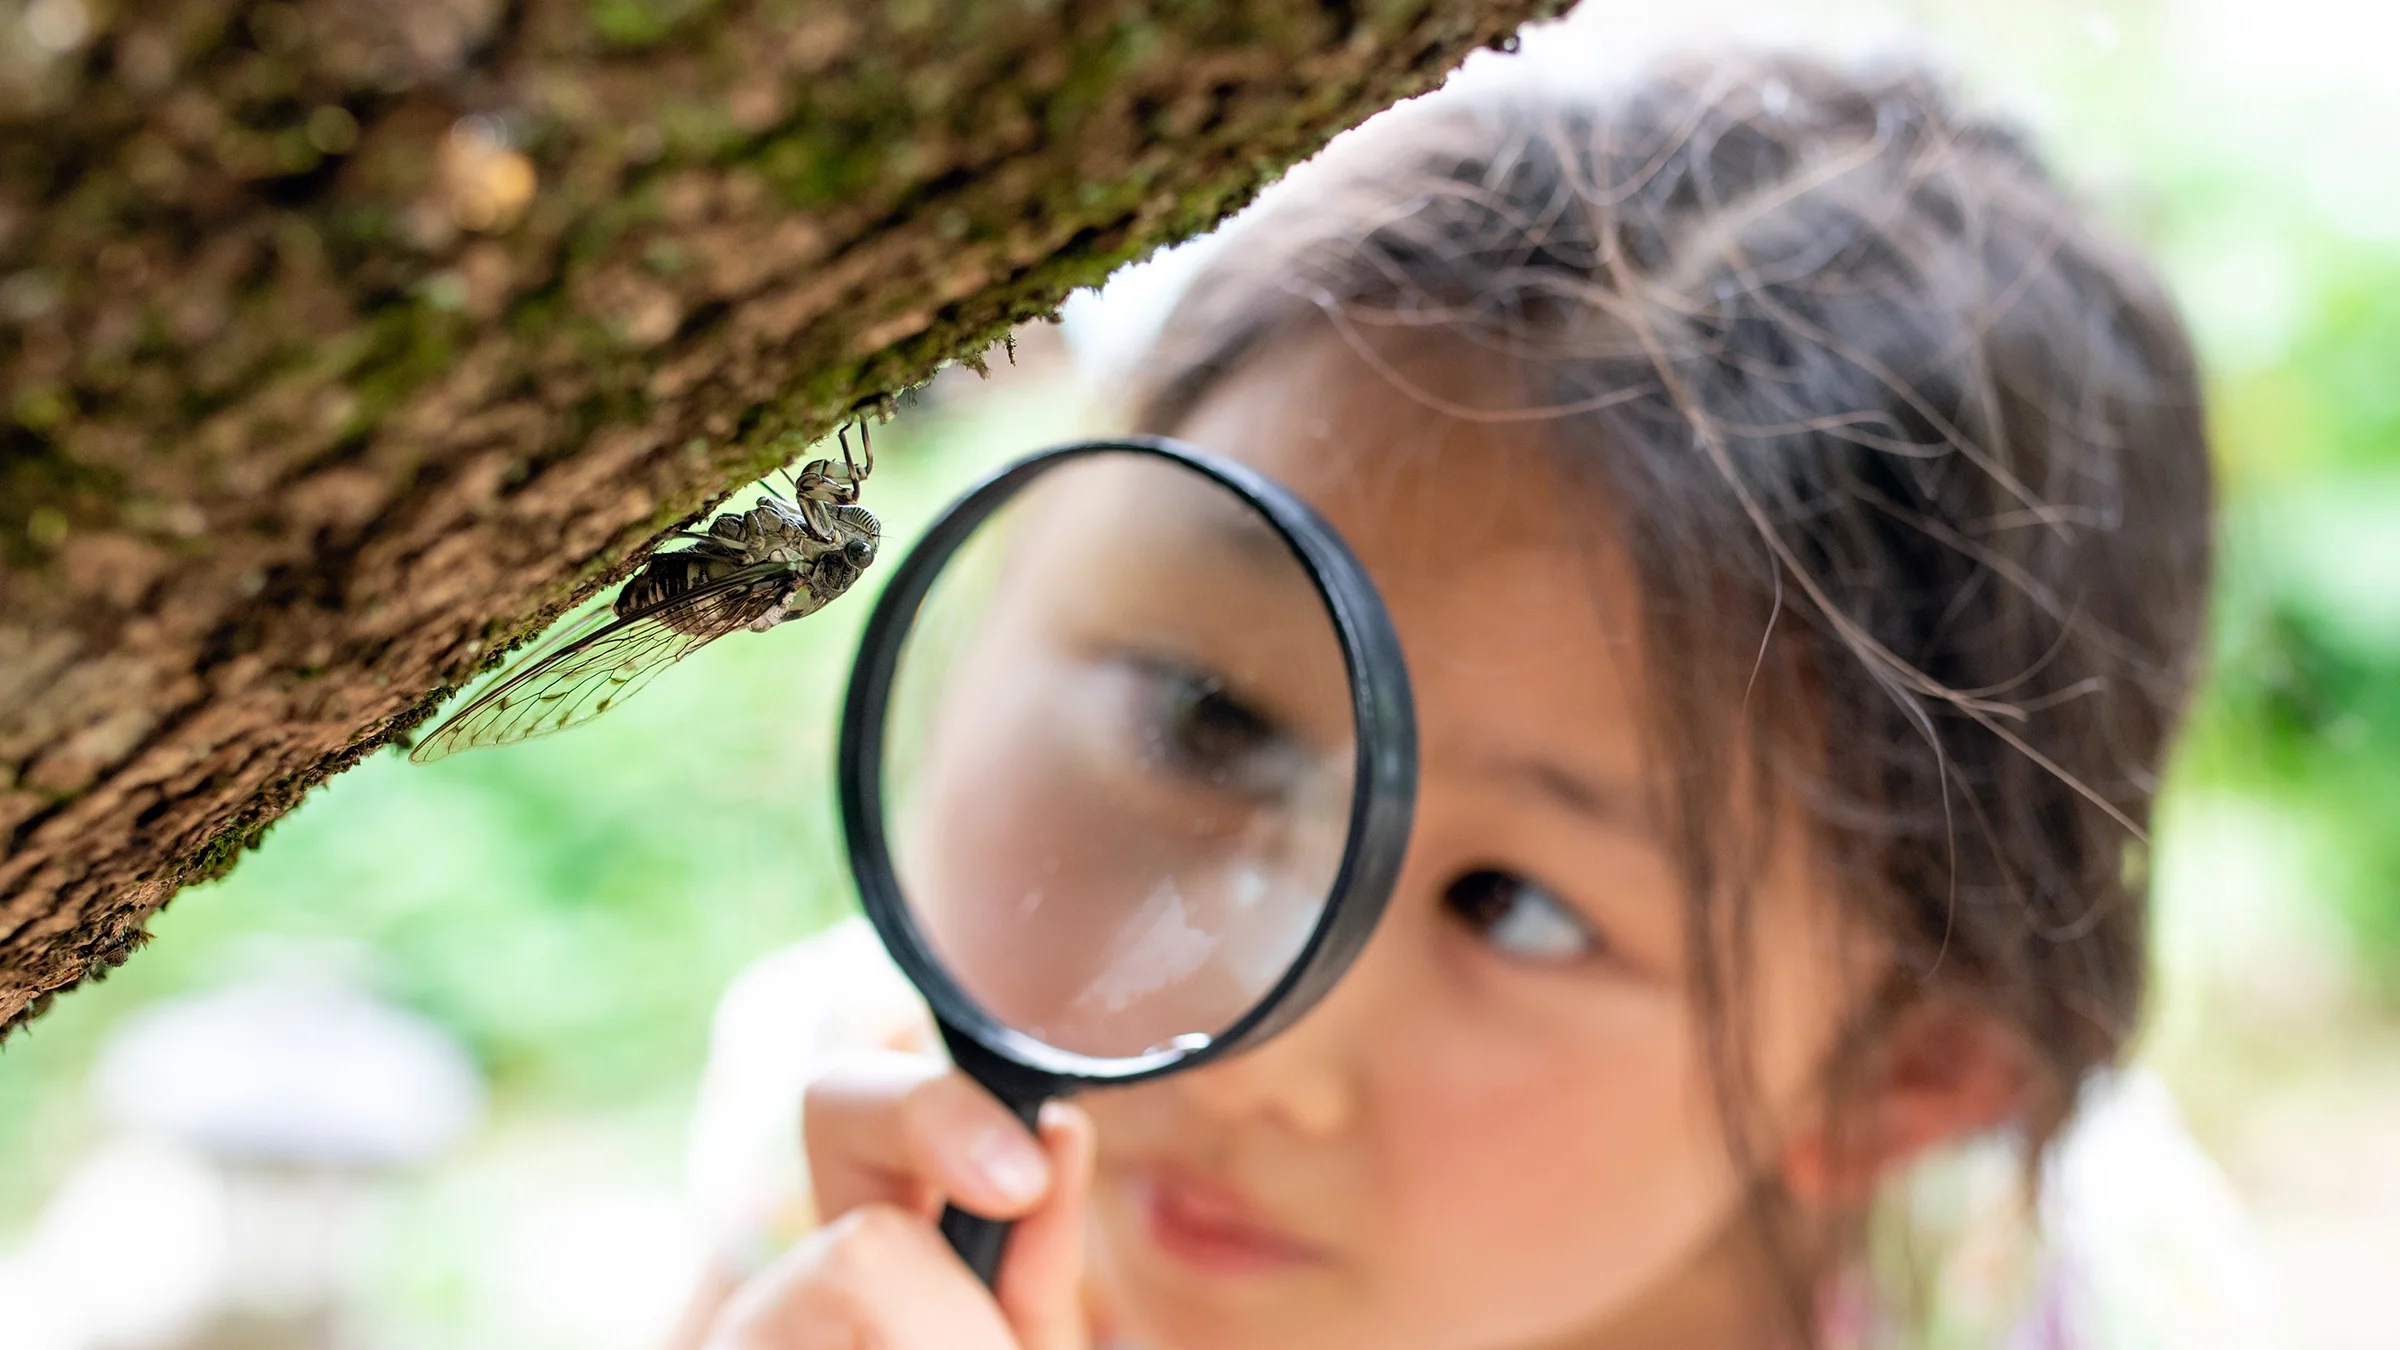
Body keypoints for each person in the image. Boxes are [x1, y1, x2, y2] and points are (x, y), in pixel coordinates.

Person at [665, 48, 2268, 1350]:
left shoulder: (2058, 1306)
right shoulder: (866, 1163)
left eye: (1511, 904)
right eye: (1208, 721)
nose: (1233, 1047)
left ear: (1896, 1076)